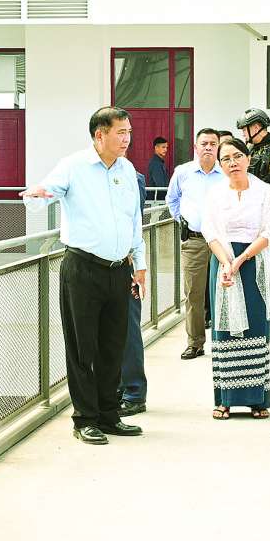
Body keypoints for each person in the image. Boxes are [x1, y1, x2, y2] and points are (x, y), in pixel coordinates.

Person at [24, 106, 147, 445]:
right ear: (99, 135)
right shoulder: (74, 166)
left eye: (129, 132)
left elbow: (134, 220)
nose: (127, 139)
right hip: (82, 269)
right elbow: (46, 193)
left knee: (113, 345)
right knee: (82, 348)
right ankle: (85, 419)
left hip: (119, 269)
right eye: (120, 132)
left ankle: (109, 414)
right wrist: (36, 195)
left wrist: (140, 265)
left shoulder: (127, 169)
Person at [204, 136, 270, 419]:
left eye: (237, 156)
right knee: (224, 327)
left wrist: (241, 259)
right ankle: (225, 398)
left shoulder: (264, 191)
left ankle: (257, 399)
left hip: (253, 262)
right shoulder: (215, 193)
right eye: (226, 159)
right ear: (220, 165)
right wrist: (227, 263)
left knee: (256, 325)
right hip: (223, 261)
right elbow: (210, 230)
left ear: (248, 158)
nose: (232, 163)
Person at [167, 128, 224, 360]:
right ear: (195, 147)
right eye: (204, 143)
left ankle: (224, 341)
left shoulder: (226, 173)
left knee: (224, 291)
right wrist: (183, 220)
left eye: (213, 143)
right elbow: (172, 199)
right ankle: (195, 343)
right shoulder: (183, 172)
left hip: (222, 242)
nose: (208, 147)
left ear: (218, 147)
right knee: (193, 293)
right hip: (194, 240)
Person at [118, 170, 151, 416]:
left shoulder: (132, 177)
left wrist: (139, 265)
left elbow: (134, 224)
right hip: (98, 265)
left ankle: (134, 392)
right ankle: (115, 389)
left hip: (125, 263)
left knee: (128, 330)